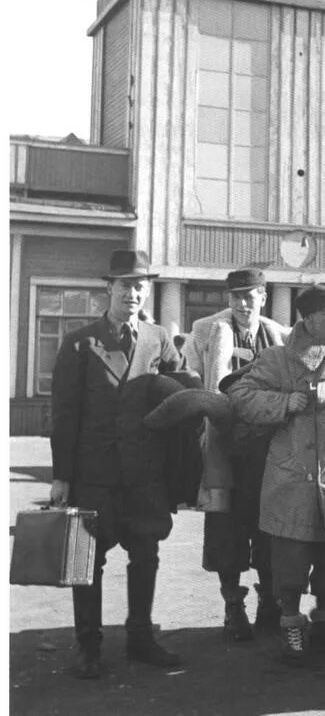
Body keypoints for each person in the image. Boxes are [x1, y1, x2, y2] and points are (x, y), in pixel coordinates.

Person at [227, 282, 325, 664]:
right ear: (308, 319)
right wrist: (283, 402)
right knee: (291, 560)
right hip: (292, 477)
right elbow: (239, 396)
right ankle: (291, 624)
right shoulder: (278, 358)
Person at [50, 250, 185, 679]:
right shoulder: (80, 341)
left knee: (145, 556)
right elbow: (64, 414)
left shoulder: (158, 338)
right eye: (125, 284)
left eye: (140, 285)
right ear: (108, 288)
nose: (133, 292)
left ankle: (141, 638)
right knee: (85, 563)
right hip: (95, 476)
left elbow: (178, 397)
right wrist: (61, 477)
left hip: (144, 476)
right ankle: (88, 646)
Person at [182, 267, 287, 640]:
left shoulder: (279, 335)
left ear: (264, 296)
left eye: (251, 295)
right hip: (226, 449)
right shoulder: (205, 330)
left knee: (270, 529)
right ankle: (232, 605)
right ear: (228, 299)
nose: (244, 303)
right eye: (236, 297)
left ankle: (269, 602)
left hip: (268, 452)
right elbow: (192, 378)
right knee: (226, 531)